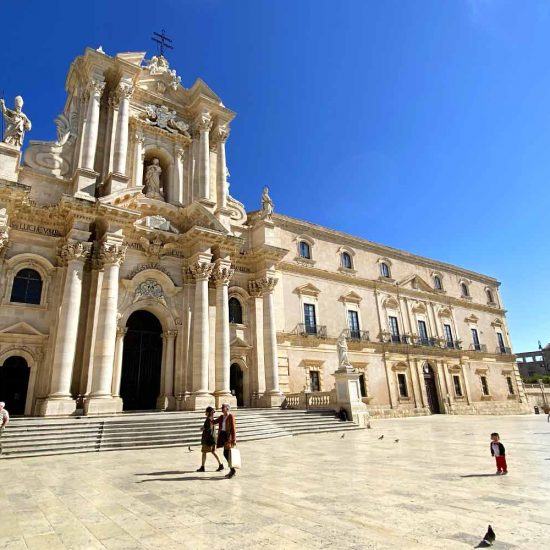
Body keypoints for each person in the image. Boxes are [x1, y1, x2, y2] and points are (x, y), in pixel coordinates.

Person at [196, 406, 224, 473]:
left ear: (208, 412)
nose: (205, 412)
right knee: (212, 452)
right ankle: (220, 464)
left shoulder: (209, 419)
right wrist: (204, 428)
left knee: (204, 452)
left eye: (206, 411)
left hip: (208, 439)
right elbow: (209, 427)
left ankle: (203, 467)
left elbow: (209, 429)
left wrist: (203, 429)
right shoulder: (212, 419)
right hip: (212, 439)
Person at [214, 403, 237, 478]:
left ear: (227, 408)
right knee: (226, 453)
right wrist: (210, 416)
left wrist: (234, 439)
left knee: (226, 453)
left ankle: (232, 470)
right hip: (222, 436)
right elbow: (214, 422)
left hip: (228, 437)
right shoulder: (221, 417)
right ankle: (232, 470)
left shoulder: (231, 416)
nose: (221, 408)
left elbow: (233, 428)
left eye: (223, 407)